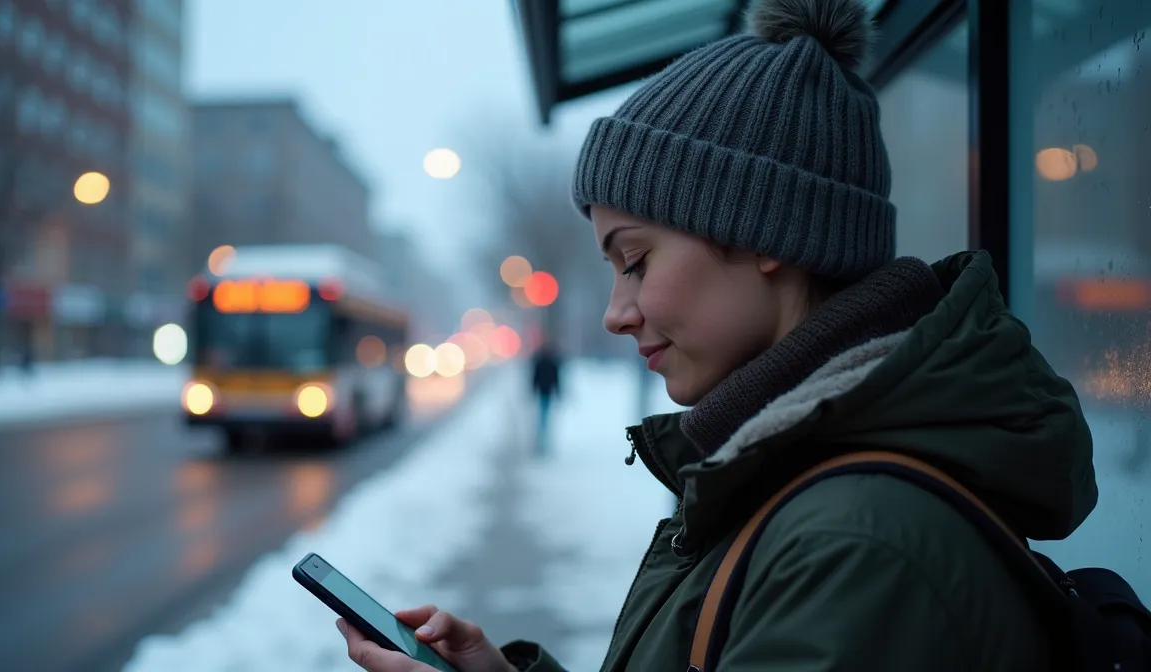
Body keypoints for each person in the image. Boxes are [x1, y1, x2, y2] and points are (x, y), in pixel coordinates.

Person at [337, 0, 1098, 669]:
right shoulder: (792, 480)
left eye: (634, 260)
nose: (616, 311)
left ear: (766, 232)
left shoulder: (854, 548)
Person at [529, 341, 562, 456]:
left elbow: (536, 377)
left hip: (545, 392)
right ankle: (541, 441)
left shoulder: (544, 361)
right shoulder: (549, 362)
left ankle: (541, 441)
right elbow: (554, 378)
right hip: (544, 392)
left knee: (543, 417)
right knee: (543, 418)